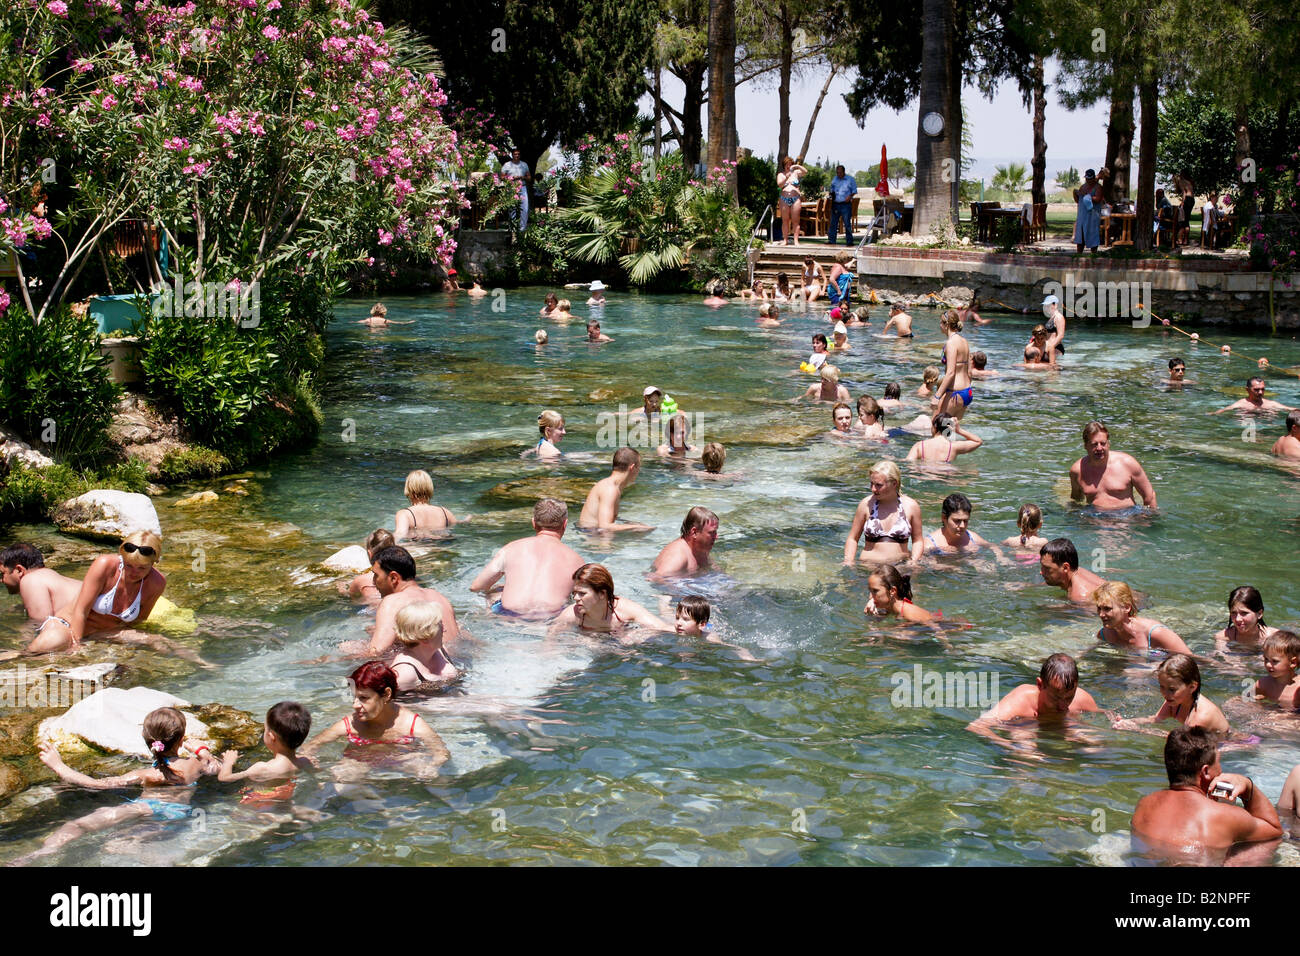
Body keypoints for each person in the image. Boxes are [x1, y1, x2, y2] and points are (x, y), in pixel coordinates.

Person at [22, 707, 221, 862]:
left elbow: (96, 784)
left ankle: (37, 855)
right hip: (174, 815)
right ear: (181, 740)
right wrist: (202, 751)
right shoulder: (194, 766)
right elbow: (217, 768)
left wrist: (59, 766)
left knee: (77, 825)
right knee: (118, 843)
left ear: (148, 742)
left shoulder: (144, 774)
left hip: (142, 807)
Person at [1130, 726, 1281, 858]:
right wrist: (1248, 787)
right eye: (1218, 763)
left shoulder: (1144, 803)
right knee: (1260, 847)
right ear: (1206, 771)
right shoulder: (1225, 816)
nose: (1221, 770)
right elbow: (1274, 830)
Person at [25, 531, 167, 655]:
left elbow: (138, 622)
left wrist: (126, 649)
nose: (134, 572)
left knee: (163, 644)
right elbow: (81, 611)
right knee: (51, 643)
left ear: (154, 562)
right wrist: (77, 645)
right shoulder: (105, 565)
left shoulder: (157, 583)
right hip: (69, 626)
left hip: (105, 633)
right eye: (128, 565)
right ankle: (16, 657)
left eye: (142, 568)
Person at [301, 661, 449, 772]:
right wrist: (311, 762)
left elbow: (441, 753)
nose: (355, 705)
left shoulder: (411, 724)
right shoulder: (351, 724)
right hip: (359, 762)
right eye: (354, 698)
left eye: (363, 698)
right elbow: (310, 747)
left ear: (386, 694)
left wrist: (432, 766)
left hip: (403, 759)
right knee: (343, 774)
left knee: (424, 770)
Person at [470, 498, 587, 619]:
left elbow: (476, 587)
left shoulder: (511, 549)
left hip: (508, 616)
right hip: (551, 618)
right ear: (565, 524)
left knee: (494, 591)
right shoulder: (576, 560)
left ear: (533, 523)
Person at [362, 545, 461, 656]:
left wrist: (343, 659)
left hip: (425, 669)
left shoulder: (393, 602)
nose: (373, 582)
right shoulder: (440, 597)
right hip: (457, 664)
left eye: (376, 575)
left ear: (394, 578)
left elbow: (376, 652)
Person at [218, 702, 314, 801]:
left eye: (265, 729)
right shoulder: (305, 762)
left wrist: (228, 762)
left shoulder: (262, 768)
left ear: (271, 736)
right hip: (284, 796)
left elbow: (225, 778)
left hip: (259, 800)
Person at [969, 653, 1099, 725]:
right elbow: (977, 727)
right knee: (1023, 740)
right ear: (1040, 685)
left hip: (1064, 730)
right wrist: (1008, 744)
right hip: (1025, 730)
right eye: (1056, 698)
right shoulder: (1020, 701)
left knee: (1091, 743)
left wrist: (1117, 726)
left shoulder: (1082, 699)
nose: (1063, 706)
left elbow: (1103, 717)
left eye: (1069, 698)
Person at [549, 563, 674, 638]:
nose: (575, 598)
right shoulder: (572, 614)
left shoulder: (625, 610)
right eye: (574, 593)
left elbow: (661, 627)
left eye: (582, 593)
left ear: (602, 593)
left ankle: (664, 605)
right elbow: (551, 635)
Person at [1114, 655, 1229, 735]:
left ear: (1192, 687)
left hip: (1229, 745)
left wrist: (1137, 730)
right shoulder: (1174, 700)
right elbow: (1155, 719)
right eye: (1162, 687)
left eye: (1172, 689)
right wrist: (1128, 722)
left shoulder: (1201, 716)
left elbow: (1181, 741)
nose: (1165, 694)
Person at [844, 461, 924, 565]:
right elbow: (853, 538)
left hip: (900, 569)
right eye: (871, 484)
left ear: (894, 483)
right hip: (867, 568)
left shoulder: (911, 506)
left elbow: (918, 540)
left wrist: (914, 561)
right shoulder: (866, 504)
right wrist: (848, 561)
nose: (873, 489)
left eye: (878, 485)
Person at [1069, 420, 1157, 510]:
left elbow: (1149, 496)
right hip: (1094, 519)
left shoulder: (1127, 463)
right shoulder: (1077, 470)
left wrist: (1148, 520)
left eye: (1103, 443)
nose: (1099, 448)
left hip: (1127, 517)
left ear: (1108, 444)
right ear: (1085, 446)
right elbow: (1077, 500)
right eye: (1094, 444)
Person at [1091, 581, 1193, 656]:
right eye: (1099, 608)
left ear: (1126, 607)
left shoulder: (1156, 633)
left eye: (1107, 609)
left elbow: (1192, 660)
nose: (1101, 614)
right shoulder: (1105, 635)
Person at [2, 542, 80, 625]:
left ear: (19, 570)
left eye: (2, 574)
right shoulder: (49, 576)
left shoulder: (30, 580)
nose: (1, 580)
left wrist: (17, 637)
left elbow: (40, 623)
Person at [579, 447, 654, 532]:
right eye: (639, 467)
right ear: (632, 468)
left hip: (592, 533)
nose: (638, 471)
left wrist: (629, 523)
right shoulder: (610, 489)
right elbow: (604, 526)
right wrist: (636, 527)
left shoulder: (611, 486)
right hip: (592, 536)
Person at [389, 601, 459, 691]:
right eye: (439, 624)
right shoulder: (404, 674)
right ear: (425, 637)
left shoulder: (441, 650)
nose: (444, 629)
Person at [651, 507, 719, 577]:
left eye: (715, 531)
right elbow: (655, 577)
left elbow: (712, 568)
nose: (716, 537)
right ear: (694, 532)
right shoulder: (678, 556)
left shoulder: (701, 547)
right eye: (712, 532)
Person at [394, 469, 459, 540]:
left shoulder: (405, 514)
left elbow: (400, 535)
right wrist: (467, 519)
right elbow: (458, 523)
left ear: (408, 489)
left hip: (418, 548)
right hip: (441, 548)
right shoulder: (445, 512)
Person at [1039, 537, 1106, 603]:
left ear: (1065, 568)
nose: (1041, 572)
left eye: (1047, 568)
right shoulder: (1077, 570)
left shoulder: (1080, 598)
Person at [924, 493, 993, 555]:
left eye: (965, 521)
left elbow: (993, 547)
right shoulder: (930, 544)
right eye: (957, 520)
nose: (962, 526)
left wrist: (1000, 558)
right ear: (944, 517)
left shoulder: (971, 538)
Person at [864, 564, 935, 623]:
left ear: (892, 591)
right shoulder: (886, 610)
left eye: (875, 591)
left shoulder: (908, 612)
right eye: (870, 591)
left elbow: (939, 629)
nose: (870, 597)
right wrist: (871, 616)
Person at [1214, 585, 1277, 650]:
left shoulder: (1274, 637)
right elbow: (1224, 658)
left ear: (1259, 613)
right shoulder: (1222, 637)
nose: (1237, 619)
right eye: (1233, 613)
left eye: (1244, 613)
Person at [343, 528, 396, 604]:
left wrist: (342, 588)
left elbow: (351, 598)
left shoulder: (361, 580)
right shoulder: (400, 577)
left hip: (372, 612)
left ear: (370, 554)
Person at [906, 413, 982, 463]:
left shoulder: (919, 445)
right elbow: (978, 441)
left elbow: (908, 462)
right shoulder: (953, 447)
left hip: (925, 476)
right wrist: (959, 430)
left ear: (935, 427)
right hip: (945, 477)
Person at [1253, 629, 1300, 707]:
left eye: (1274, 661)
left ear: (1292, 663)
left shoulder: (1298, 689)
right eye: (1266, 659)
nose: (1268, 664)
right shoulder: (1262, 684)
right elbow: (1247, 699)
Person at [1211, 377, 1292, 414]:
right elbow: (1222, 411)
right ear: (1247, 390)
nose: (1260, 392)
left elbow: (1290, 409)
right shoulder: (1241, 404)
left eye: (1262, 389)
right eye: (1256, 389)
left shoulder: (1271, 404)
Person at [776, 156, 808, 245]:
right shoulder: (781, 174)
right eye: (787, 164)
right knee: (785, 220)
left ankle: (796, 240)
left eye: (790, 164)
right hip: (784, 199)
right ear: (784, 165)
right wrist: (786, 177)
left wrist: (797, 166)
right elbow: (779, 185)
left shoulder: (796, 173)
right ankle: (785, 240)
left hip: (795, 198)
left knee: (795, 220)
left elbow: (805, 172)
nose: (788, 166)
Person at [1072, 168, 1102, 253]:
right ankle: (1078, 253)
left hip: (1092, 215)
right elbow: (1078, 200)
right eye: (1087, 178)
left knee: (1092, 233)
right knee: (1080, 234)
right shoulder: (1083, 187)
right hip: (1082, 214)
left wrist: (1087, 196)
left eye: (1090, 179)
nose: (1088, 180)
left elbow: (1098, 198)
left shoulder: (1098, 187)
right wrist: (1076, 194)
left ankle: (1093, 253)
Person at [501, 147, 531, 232]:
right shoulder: (507, 165)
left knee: (524, 208)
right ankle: (513, 229)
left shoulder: (524, 164)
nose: (516, 156)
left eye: (518, 154)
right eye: (515, 154)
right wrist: (511, 178)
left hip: (522, 187)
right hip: (512, 188)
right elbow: (502, 177)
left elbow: (529, 178)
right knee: (512, 208)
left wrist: (523, 177)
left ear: (520, 155)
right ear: (512, 155)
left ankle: (522, 229)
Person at [827, 165, 857, 245]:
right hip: (836, 204)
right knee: (833, 223)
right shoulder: (835, 179)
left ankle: (849, 241)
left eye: (840, 173)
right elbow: (832, 189)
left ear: (844, 172)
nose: (838, 174)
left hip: (845, 205)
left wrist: (850, 196)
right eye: (837, 173)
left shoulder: (850, 180)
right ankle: (832, 240)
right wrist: (831, 195)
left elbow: (854, 190)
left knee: (847, 224)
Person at [1041, 294, 1067, 365]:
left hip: (1055, 349)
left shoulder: (1059, 317)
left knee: (1053, 372)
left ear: (1055, 305)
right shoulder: (1051, 317)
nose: (1046, 307)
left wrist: (1051, 347)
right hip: (1049, 348)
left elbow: (1061, 335)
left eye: (1048, 305)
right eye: (1045, 306)